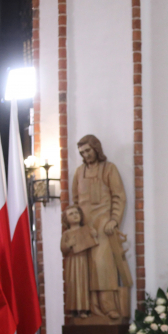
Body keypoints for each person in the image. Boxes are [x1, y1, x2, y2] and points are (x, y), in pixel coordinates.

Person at [71, 135, 127, 320]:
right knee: (85, 268)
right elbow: (76, 201)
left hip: (103, 225)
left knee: (103, 266)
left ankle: (108, 307)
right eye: (82, 152)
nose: (86, 155)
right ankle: (90, 308)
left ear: (96, 148)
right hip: (85, 226)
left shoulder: (109, 169)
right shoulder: (79, 172)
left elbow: (118, 196)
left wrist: (114, 219)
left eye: (88, 150)